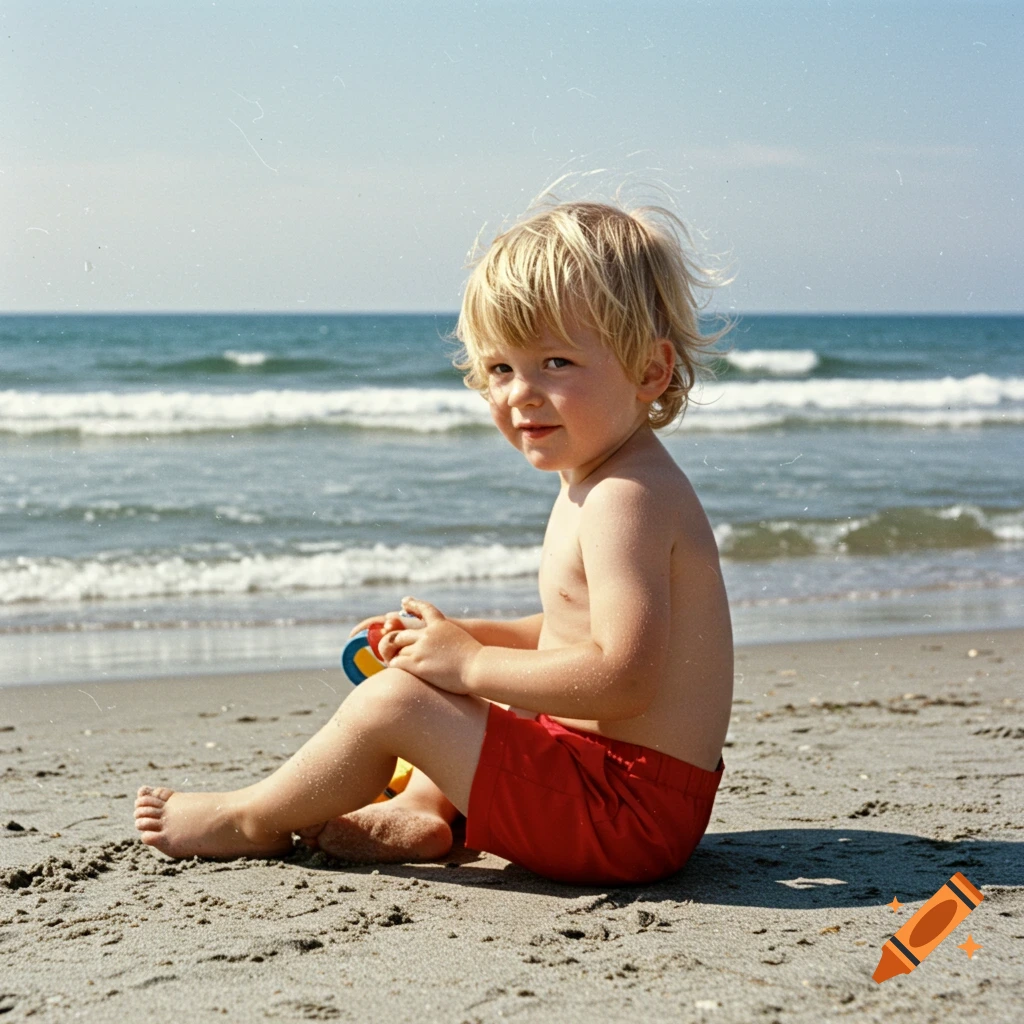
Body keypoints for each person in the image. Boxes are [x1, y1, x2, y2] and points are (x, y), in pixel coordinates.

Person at [134, 199, 734, 885]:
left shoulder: (625, 499)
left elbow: (623, 676)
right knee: (443, 673)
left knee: (399, 702)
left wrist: (471, 665)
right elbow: (573, 635)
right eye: (501, 368)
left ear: (650, 372)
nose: (521, 395)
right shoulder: (608, 479)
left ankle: (251, 818)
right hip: (618, 793)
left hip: (620, 819)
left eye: (557, 362)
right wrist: (468, 639)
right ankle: (426, 808)